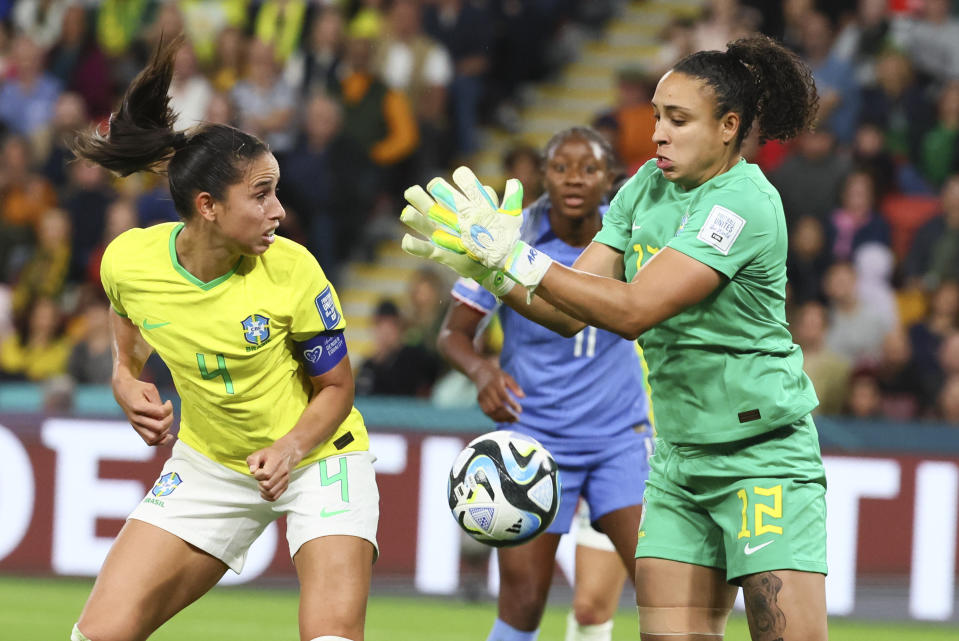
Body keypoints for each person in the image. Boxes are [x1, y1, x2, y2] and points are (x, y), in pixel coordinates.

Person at [403, 34, 827, 641]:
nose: (656, 133)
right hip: (679, 460)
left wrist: (517, 258)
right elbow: (573, 309)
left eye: (677, 120)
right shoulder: (642, 189)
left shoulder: (744, 205)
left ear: (729, 126)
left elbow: (634, 311)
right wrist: (489, 271)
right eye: (657, 115)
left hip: (760, 457)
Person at [66, 37, 378, 641]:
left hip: (319, 459)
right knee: (96, 635)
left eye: (276, 190)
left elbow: (337, 388)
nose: (278, 210)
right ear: (207, 206)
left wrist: (289, 448)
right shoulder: (128, 260)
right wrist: (125, 375)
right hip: (211, 466)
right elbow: (126, 316)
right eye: (260, 195)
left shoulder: (294, 270)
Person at [435, 127, 651, 641]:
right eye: (561, 167)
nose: (574, 178)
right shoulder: (509, 237)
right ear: (543, 176)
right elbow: (453, 334)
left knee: (661, 583)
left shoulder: (633, 235)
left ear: (610, 180)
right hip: (534, 442)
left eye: (589, 168)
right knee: (524, 603)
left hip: (620, 437)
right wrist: (483, 370)